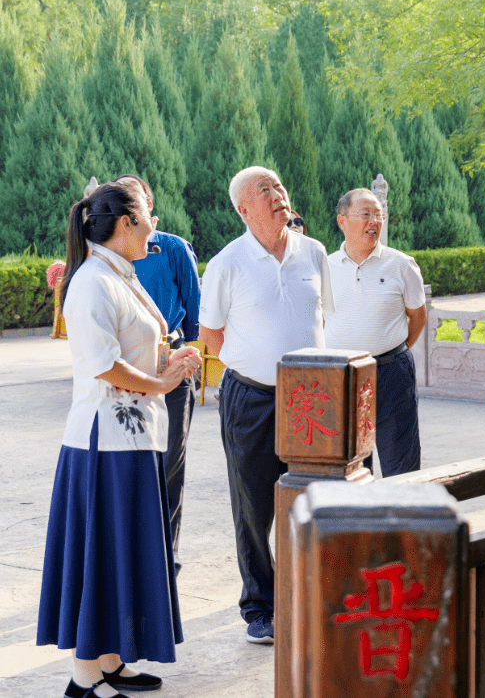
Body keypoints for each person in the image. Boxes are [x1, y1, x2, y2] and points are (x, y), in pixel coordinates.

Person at [37, 183, 201, 698]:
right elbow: (104, 364)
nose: (155, 224)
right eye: (148, 216)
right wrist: (164, 382)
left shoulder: (119, 275)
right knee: (101, 554)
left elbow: (139, 345)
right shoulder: (91, 282)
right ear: (126, 223)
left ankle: (110, 660)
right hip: (102, 445)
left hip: (131, 438)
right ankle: (85, 675)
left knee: (118, 551)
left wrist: (169, 361)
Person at [198, 166, 334, 645]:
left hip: (313, 398)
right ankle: (260, 606)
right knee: (254, 505)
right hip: (250, 397)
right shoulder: (227, 263)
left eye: (279, 186)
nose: (278, 194)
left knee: (316, 498)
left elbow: (325, 318)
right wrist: (255, 360)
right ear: (244, 208)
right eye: (265, 190)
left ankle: (314, 595)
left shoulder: (314, 252)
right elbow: (210, 335)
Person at [114, 174, 201, 575]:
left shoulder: (174, 249)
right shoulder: (107, 258)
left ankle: (166, 554)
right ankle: (128, 551)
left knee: (168, 462)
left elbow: (196, 318)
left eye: (138, 200)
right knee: (127, 464)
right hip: (122, 371)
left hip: (171, 366)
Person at [324, 188, 426, 476]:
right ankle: (357, 521)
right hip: (342, 377)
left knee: (401, 464)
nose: (374, 221)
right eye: (366, 214)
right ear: (342, 220)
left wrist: (394, 350)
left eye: (379, 215)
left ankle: (402, 521)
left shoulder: (401, 264)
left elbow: (417, 316)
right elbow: (319, 321)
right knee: (347, 465)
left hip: (391, 373)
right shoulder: (325, 267)